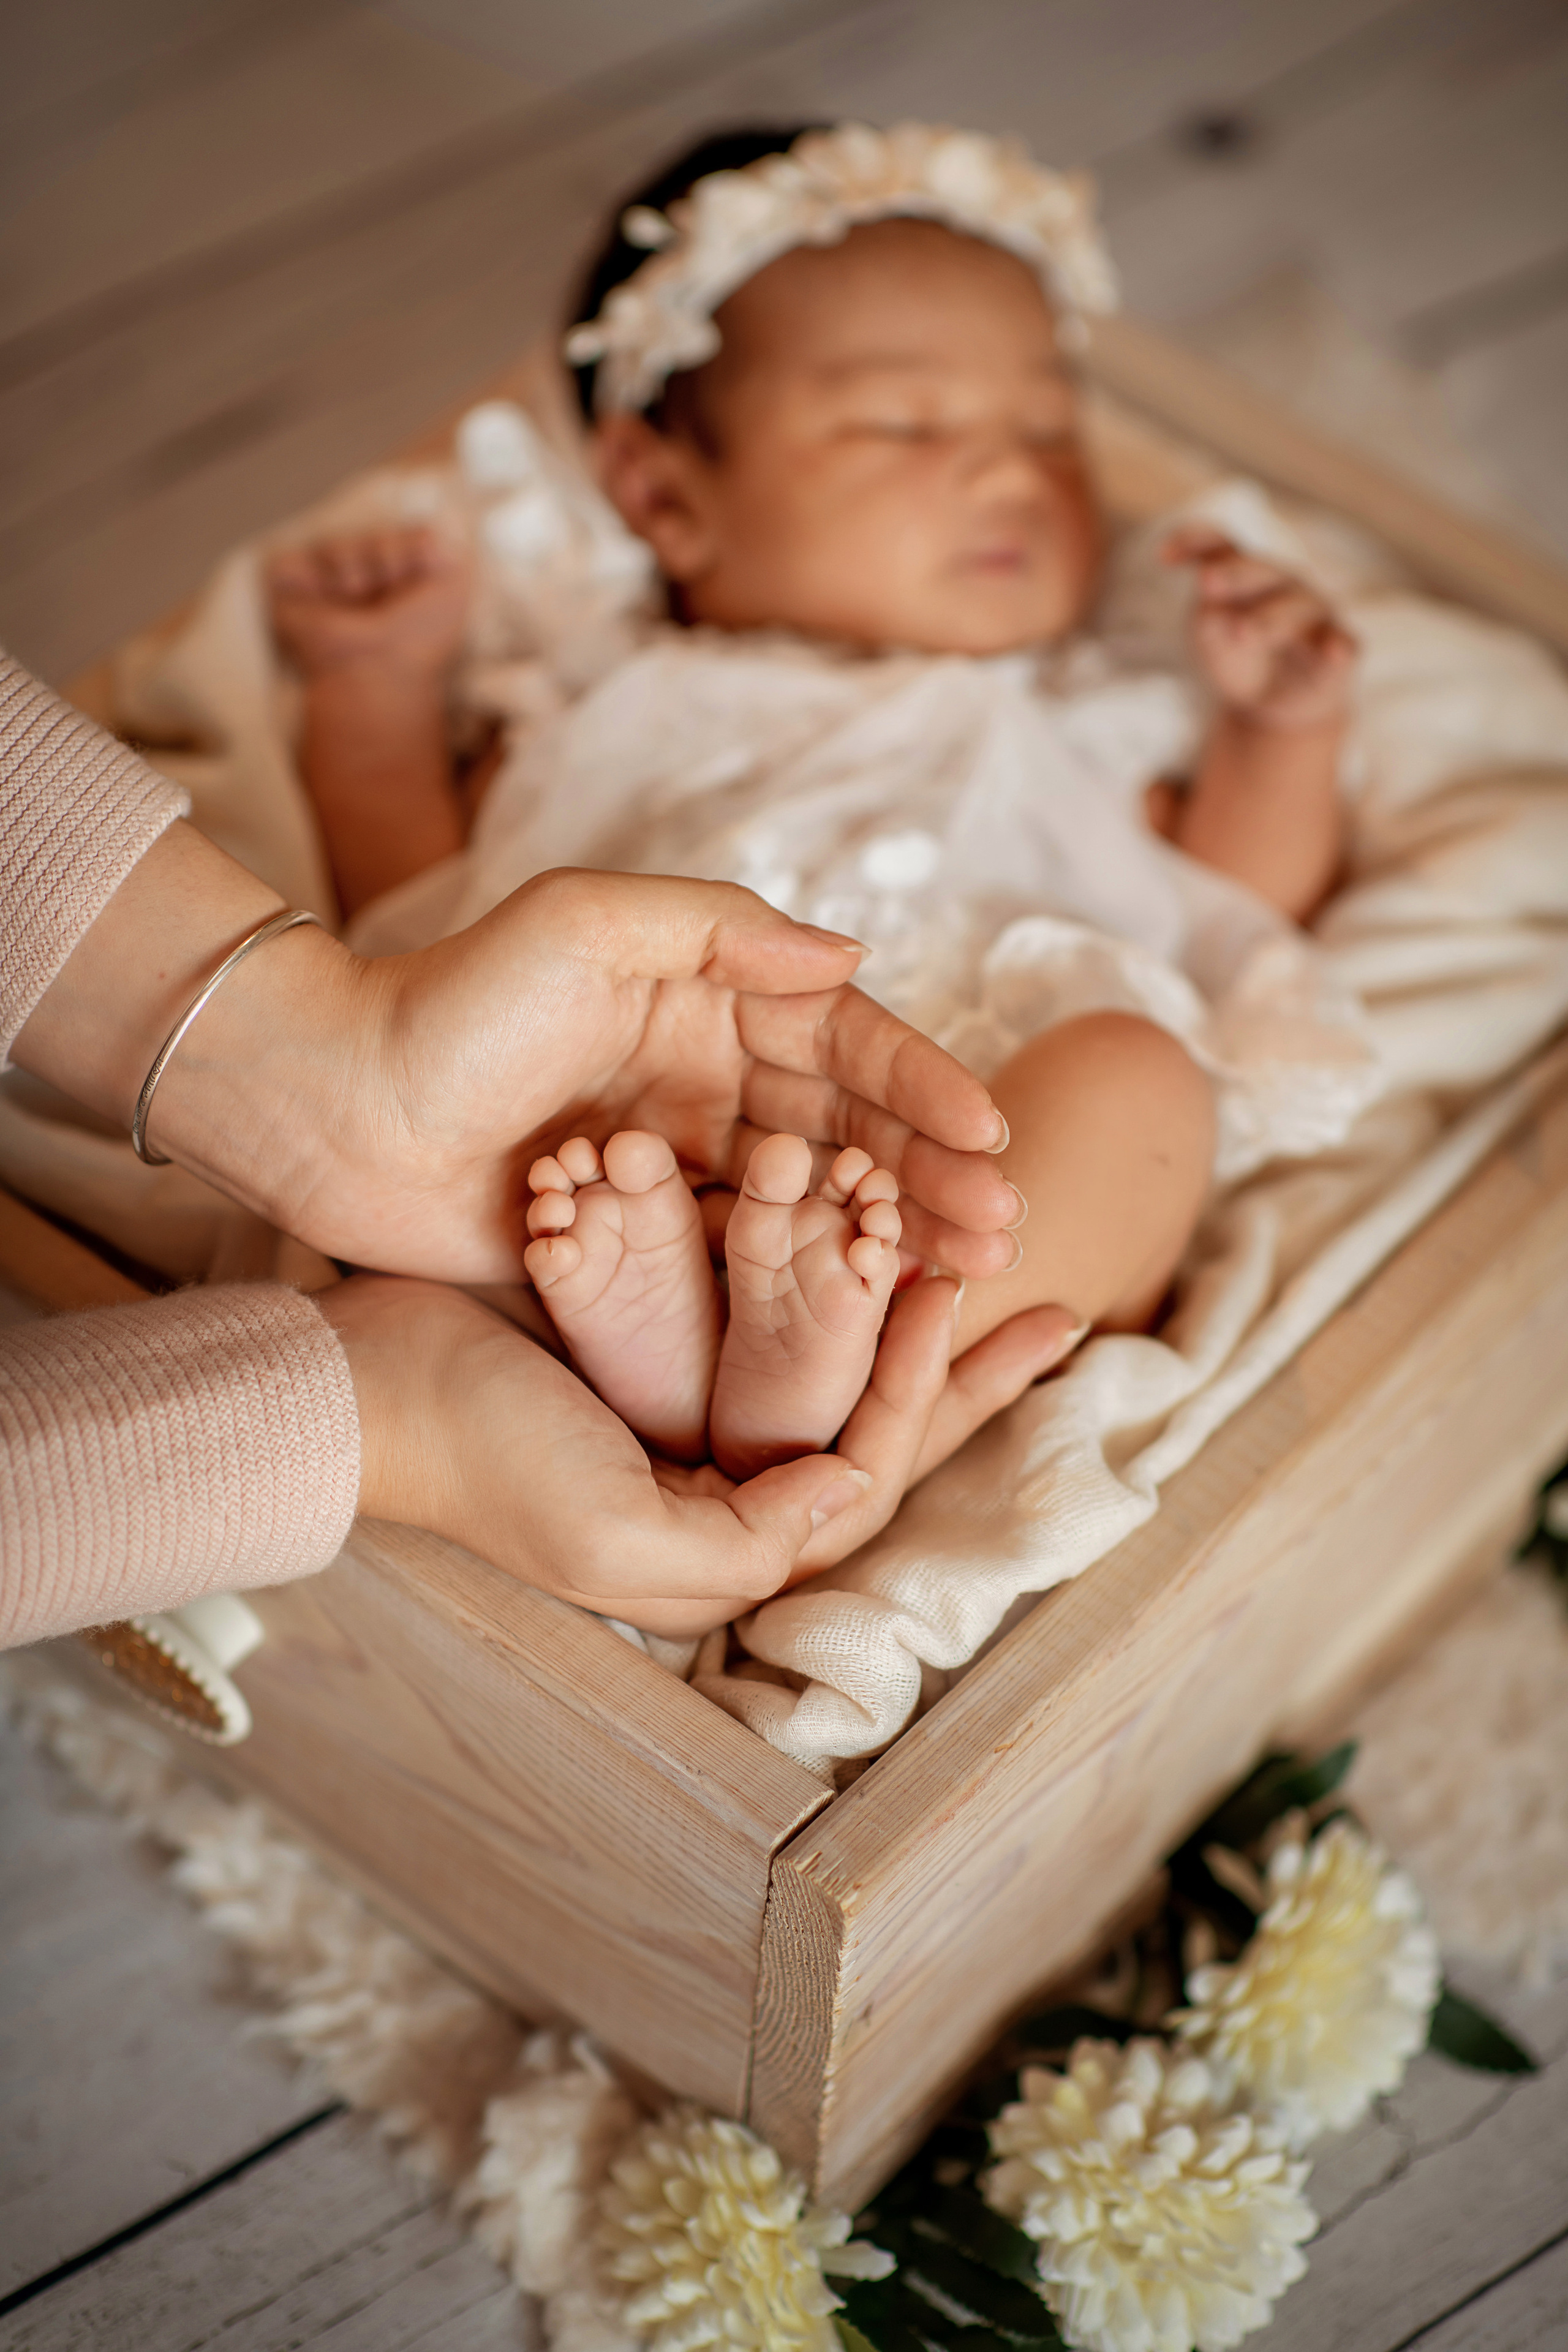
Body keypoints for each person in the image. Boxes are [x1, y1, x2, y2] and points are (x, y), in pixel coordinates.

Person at [263, 123, 1374, 1485]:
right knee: (491, 1109)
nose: (1012, 474)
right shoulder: (596, 694)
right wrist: (372, 692)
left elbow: (1238, 905)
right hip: (659, 1134)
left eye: (1046, 430)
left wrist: (1279, 730)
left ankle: (852, 1382)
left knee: (1141, 1081)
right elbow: (423, 907)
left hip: (971, 1150)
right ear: (664, 497)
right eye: (904, 422)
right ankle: (690, 1363)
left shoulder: (1076, 704)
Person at [1, 649, 1068, 1649]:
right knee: (517, 1207)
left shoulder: (1084, 714)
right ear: (675, 524)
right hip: (617, 1104)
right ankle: (769, 1406)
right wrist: (375, 691)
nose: (1004, 511)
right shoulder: (609, 659)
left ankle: (772, 1394)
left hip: (798, 1086)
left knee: (1113, 1075)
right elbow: (414, 861)